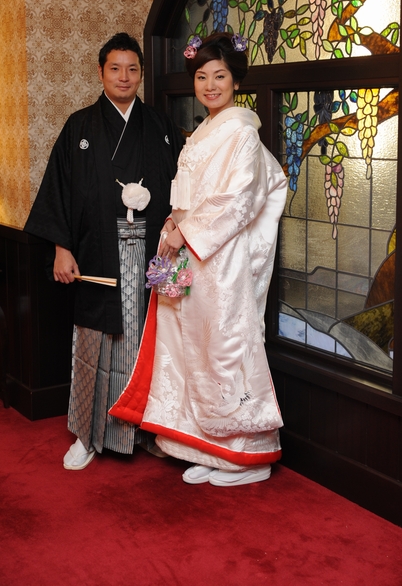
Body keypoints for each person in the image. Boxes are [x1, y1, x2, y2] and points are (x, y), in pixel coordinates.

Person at [110, 32, 288, 487]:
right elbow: (190, 194)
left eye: (220, 76)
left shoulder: (242, 133)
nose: (210, 85)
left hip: (221, 260)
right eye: (202, 77)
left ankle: (249, 455)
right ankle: (210, 448)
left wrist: (184, 232)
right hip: (192, 254)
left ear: (236, 81)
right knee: (194, 352)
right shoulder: (204, 131)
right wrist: (175, 222)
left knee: (225, 350)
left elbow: (237, 201)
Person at [24, 32, 184, 470]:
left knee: (148, 343)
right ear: (100, 72)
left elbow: (184, 188)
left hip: (152, 254)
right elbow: (59, 190)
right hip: (97, 253)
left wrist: (178, 232)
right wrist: (62, 249)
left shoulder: (160, 127)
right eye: (115, 68)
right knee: (95, 344)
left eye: (132, 69)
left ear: (141, 74)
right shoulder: (80, 127)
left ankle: (146, 431)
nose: (124, 77)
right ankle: (87, 435)